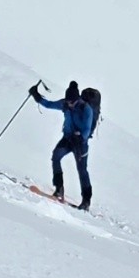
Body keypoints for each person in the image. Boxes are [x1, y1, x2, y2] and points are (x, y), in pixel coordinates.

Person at [31, 80, 95, 209]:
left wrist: (80, 137)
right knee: (56, 157)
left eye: (72, 102)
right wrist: (36, 96)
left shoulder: (86, 109)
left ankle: (86, 201)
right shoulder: (65, 104)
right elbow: (49, 104)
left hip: (80, 144)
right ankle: (59, 189)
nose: (69, 104)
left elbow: (87, 130)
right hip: (67, 139)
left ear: (77, 99)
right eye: (68, 101)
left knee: (82, 170)